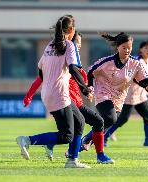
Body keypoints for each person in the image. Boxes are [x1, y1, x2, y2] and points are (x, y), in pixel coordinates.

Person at [23, 31, 114, 164]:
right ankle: (95, 156)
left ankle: (63, 151)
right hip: (67, 101)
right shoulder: (66, 60)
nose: (78, 46)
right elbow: (40, 78)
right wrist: (29, 96)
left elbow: (83, 79)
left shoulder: (75, 62)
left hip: (76, 101)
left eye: (80, 44)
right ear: (70, 41)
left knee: (72, 130)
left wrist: (89, 88)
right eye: (76, 42)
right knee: (95, 122)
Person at [16, 15, 91, 168]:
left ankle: (72, 161)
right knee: (67, 135)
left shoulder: (50, 45)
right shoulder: (70, 45)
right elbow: (73, 68)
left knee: (80, 122)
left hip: (50, 93)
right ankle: (27, 140)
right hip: (59, 94)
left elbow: (41, 72)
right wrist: (84, 88)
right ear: (71, 30)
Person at [80, 32, 148, 151]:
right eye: (124, 48)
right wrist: (89, 88)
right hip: (103, 94)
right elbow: (90, 72)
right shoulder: (107, 61)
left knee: (109, 122)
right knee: (111, 119)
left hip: (119, 98)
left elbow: (144, 78)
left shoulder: (135, 63)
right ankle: (91, 144)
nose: (127, 50)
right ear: (118, 47)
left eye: (129, 48)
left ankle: (82, 144)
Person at [104, 40, 148, 147]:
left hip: (141, 95)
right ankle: (105, 137)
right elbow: (135, 78)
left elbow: (146, 79)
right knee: (122, 119)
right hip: (130, 95)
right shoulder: (136, 61)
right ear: (140, 50)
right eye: (146, 48)